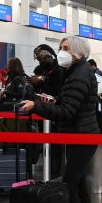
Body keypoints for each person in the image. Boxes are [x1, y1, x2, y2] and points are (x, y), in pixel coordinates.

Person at [21, 36, 99, 203]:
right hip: (81, 135)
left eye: (65, 48)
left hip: (81, 138)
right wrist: (52, 102)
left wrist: (37, 106)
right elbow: (69, 104)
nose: (61, 52)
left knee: (70, 185)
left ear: (77, 52)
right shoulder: (76, 72)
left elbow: (67, 112)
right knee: (79, 187)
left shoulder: (80, 74)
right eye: (60, 48)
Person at [31, 44, 65, 178]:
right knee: (48, 147)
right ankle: (50, 173)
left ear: (48, 56)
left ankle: (56, 175)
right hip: (44, 112)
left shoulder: (59, 70)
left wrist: (39, 82)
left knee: (56, 148)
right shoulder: (41, 69)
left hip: (55, 114)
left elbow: (56, 91)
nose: (40, 62)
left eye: (41, 59)